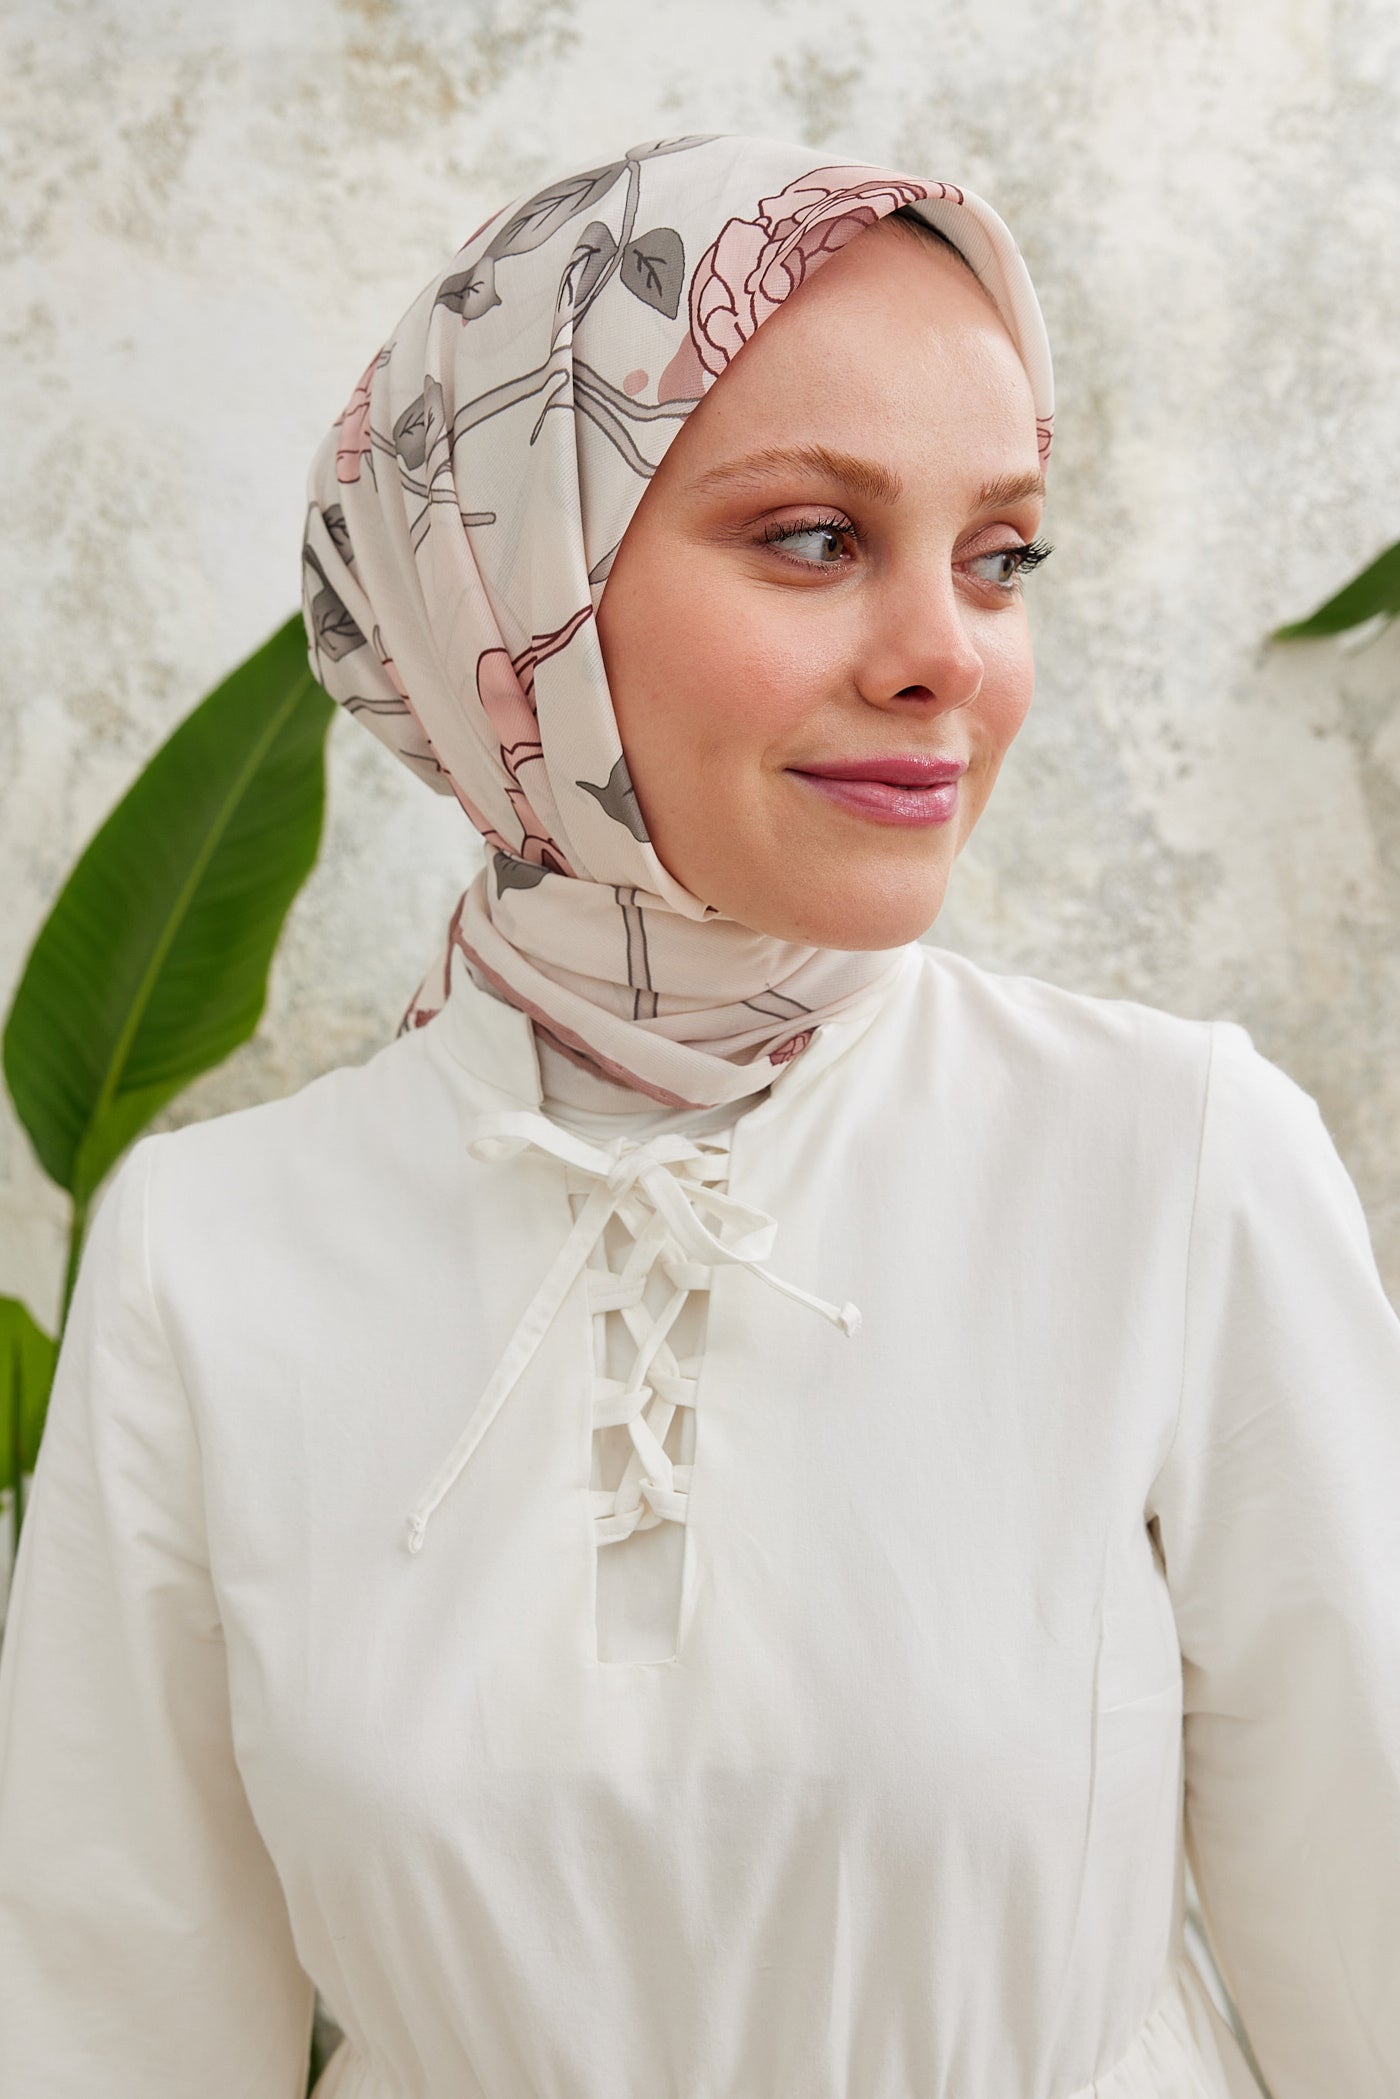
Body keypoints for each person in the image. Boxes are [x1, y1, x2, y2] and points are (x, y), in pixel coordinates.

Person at [0, 131, 1397, 2099]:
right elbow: (105, 2023)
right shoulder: (210, 1257)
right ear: (516, 595)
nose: (948, 653)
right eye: (815, 538)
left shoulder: (1171, 1163)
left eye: (1001, 554)